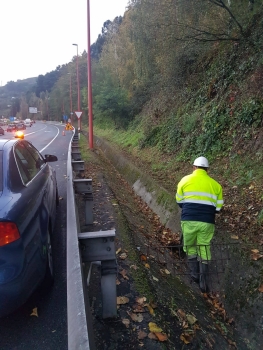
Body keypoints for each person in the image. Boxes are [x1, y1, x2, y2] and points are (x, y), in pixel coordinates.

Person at [175, 156, 223, 293]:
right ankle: (203, 281)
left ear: (194, 167)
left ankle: (194, 275)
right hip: (207, 221)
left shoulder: (185, 180)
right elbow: (218, 208)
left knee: (190, 246)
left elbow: (179, 201)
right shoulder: (216, 185)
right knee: (204, 247)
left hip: (189, 219)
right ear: (207, 170)